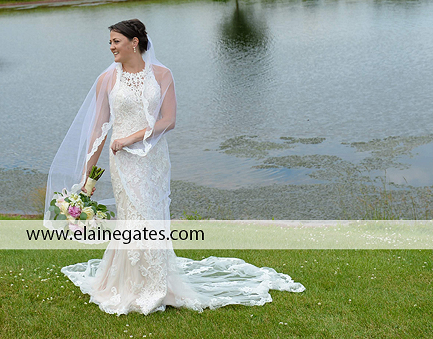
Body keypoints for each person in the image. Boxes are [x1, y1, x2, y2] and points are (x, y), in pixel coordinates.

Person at [44, 19, 305, 315]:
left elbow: (169, 120)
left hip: (153, 158)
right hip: (123, 161)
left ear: (134, 42)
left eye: (116, 41)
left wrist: (131, 137)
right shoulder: (106, 80)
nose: (112, 47)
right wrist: (86, 177)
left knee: (152, 216)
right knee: (133, 218)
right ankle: (131, 285)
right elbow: (98, 130)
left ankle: (157, 284)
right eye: (110, 42)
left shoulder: (162, 74)